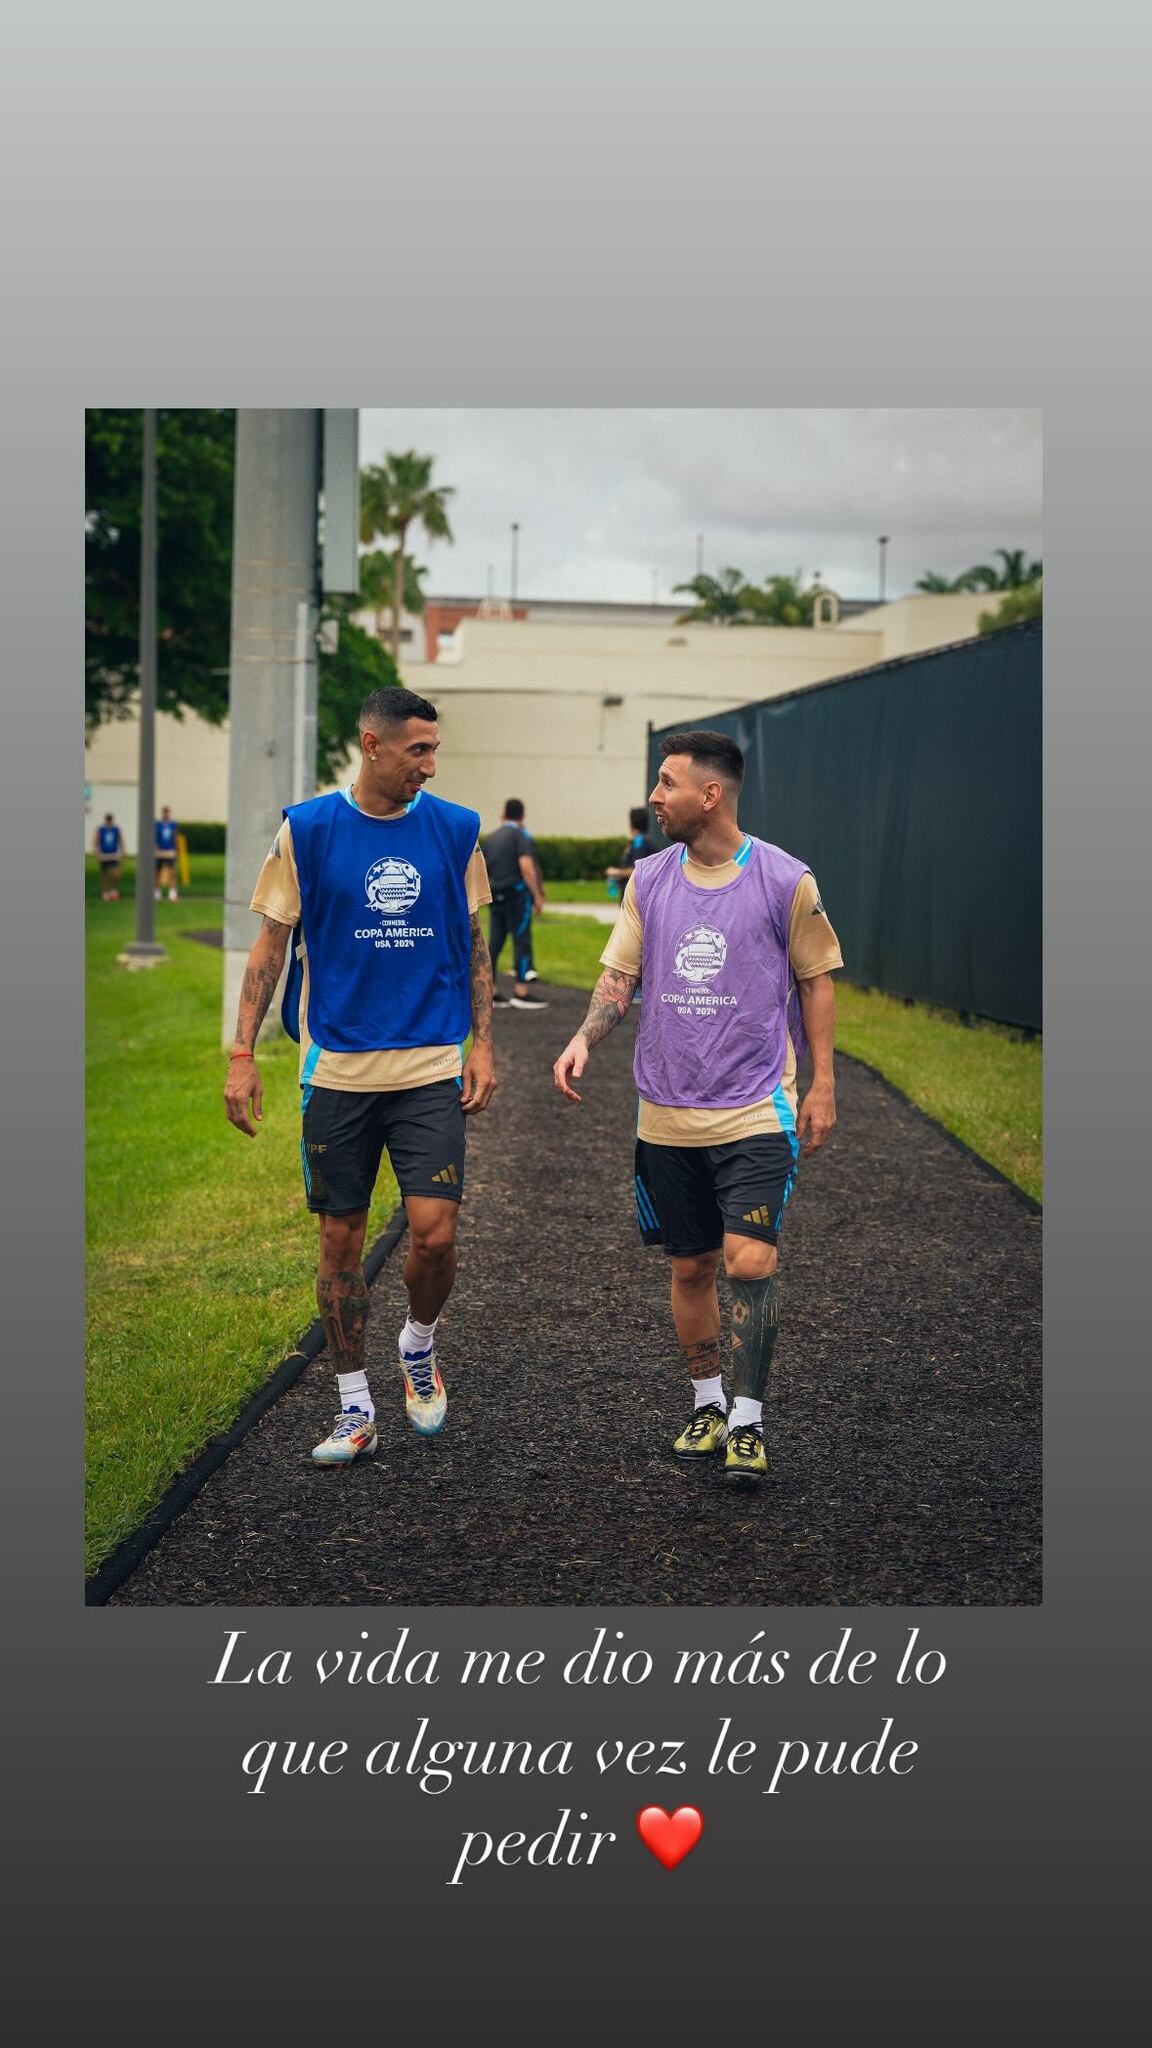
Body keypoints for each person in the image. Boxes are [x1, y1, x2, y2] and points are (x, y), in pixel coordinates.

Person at [552, 729, 841, 1486]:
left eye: (667, 782)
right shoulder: (648, 879)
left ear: (708, 795)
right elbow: (620, 977)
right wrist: (586, 1038)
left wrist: (823, 1084)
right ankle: (707, 1404)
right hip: (666, 1114)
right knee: (691, 1268)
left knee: (749, 1260)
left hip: (754, 1110)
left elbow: (817, 980)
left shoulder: (785, 880)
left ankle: (748, 1423)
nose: (655, 796)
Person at [223, 687, 497, 1466]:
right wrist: (242, 1057)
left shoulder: (455, 831)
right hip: (337, 1073)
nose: (430, 765)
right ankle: (353, 1409)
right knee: (339, 1241)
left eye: (434, 750)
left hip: (428, 1066)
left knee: (435, 1232)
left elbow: (475, 945)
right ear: (372, 745)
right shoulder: (307, 830)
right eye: (418, 750)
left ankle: (418, 1345)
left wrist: (483, 1046)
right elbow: (270, 949)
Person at [483, 798, 548, 1010]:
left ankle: (490, 990)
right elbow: (527, 867)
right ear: (522, 816)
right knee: (521, 940)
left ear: (503, 814)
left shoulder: (491, 839)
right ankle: (521, 991)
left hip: (496, 895)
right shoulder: (521, 836)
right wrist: (537, 894)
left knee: (495, 943)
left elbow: (484, 869)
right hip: (516, 896)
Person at [605, 806, 657, 901]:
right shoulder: (644, 840)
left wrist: (616, 872)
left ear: (632, 823)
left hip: (636, 900)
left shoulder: (639, 841)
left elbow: (636, 870)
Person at [93, 813, 124, 899]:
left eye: (110, 820)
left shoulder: (116, 829)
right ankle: (105, 892)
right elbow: (96, 842)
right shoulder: (101, 830)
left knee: (117, 874)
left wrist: (122, 852)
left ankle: (114, 890)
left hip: (113, 855)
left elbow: (120, 841)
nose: (109, 822)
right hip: (104, 855)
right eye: (108, 820)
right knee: (104, 874)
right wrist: (97, 854)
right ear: (106, 820)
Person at [155, 805, 180, 900]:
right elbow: (154, 836)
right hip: (160, 851)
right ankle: (157, 891)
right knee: (157, 872)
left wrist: (176, 849)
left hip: (170, 851)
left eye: (167, 812)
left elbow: (175, 837)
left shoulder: (173, 824)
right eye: (164, 812)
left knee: (171, 872)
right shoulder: (157, 824)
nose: (166, 814)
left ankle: (172, 892)